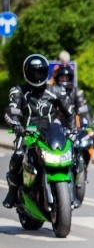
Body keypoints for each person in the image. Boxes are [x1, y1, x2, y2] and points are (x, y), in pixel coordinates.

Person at [4, 54, 73, 208]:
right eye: (33, 73)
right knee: (17, 157)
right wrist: (17, 126)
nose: (36, 76)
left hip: (51, 134)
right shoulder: (18, 91)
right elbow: (10, 112)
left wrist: (72, 130)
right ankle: (13, 191)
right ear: (26, 73)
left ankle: (72, 190)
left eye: (40, 73)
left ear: (46, 73)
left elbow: (70, 113)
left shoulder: (57, 91)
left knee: (71, 154)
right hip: (27, 134)